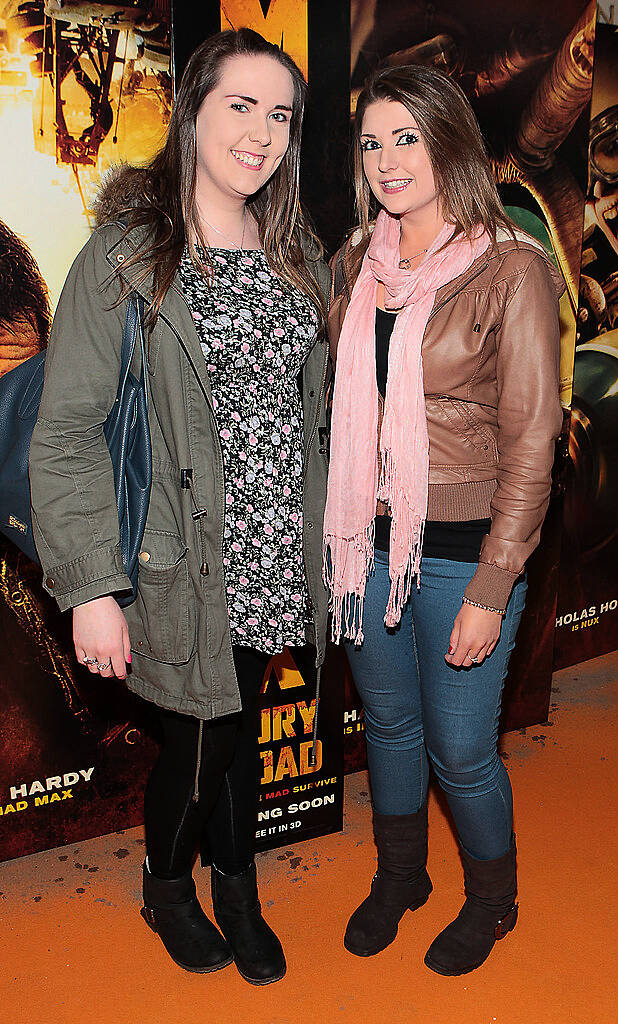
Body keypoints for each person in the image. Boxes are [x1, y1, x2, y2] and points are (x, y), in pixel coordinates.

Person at [29, 29, 330, 985]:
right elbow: (66, 431)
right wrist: (89, 588)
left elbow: (313, 415)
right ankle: (168, 885)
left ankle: (236, 885)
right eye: (239, 106)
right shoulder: (128, 256)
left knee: (234, 728)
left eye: (279, 114)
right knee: (199, 744)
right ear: (192, 109)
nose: (261, 132)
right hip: (176, 556)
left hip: (274, 554)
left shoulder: (295, 250)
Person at [324, 64, 563, 976]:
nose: (387, 159)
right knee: (387, 728)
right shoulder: (357, 265)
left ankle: (493, 902)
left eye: (406, 137)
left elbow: (534, 438)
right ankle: (401, 876)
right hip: (367, 547)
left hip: (465, 551)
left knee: (462, 748)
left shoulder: (511, 268)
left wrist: (495, 586)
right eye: (373, 140)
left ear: (449, 140)